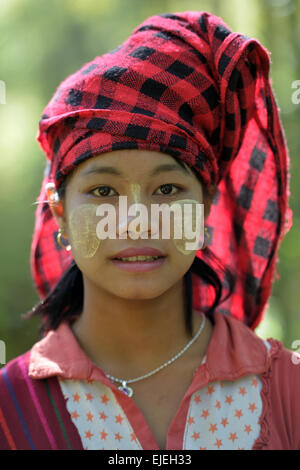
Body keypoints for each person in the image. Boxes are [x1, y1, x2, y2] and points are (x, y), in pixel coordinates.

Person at [0, 10, 298, 451]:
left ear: (204, 207)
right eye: (103, 190)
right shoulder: (11, 408)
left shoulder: (286, 393)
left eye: (167, 189)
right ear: (60, 213)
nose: (137, 219)